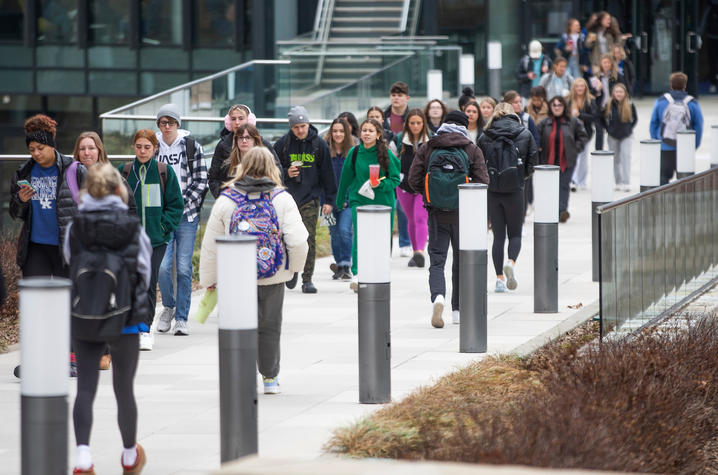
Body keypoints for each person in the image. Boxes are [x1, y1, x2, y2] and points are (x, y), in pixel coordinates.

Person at [200, 147, 308, 395]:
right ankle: (270, 378)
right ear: (272, 167)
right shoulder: (281, 198)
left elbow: (211, 245)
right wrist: (294, 269)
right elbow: (299, 240)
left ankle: (239, 375)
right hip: (273, 274)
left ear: (242, 166)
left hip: (236, 276)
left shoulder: (227, 199)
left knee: (238, 325)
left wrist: (210, 280)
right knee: (270, 327)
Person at [65, 163, 151, 475]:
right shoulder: (131, 224)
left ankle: (83, 460)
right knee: (123, 388)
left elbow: (68, 261)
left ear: (88, 189)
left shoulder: (77, 225)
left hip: (85, 312)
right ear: (118, 189)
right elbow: (144, 267)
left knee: (85, 386)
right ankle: (129, 455)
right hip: (124, 313)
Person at [408, 111, 489, 328]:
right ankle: (457, 310)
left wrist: (429, 196)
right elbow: (483, 181)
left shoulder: (429, 146)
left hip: (436, 213)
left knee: (437, 261)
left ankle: (438, 297)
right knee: (460, 262)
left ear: (444, 124)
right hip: (463, 214)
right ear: (465, 126)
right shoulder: (471, 149)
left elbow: (413, 179)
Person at [119, 129, 184, 351]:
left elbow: (176, 205)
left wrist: (163, 227)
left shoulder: (164, 172)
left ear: (155, 148)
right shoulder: (124, 172)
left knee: (147, 282)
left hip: (156, 241)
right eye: (139, 146)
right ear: (133, 147)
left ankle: (145, 329)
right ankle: (131, 327)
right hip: (129, 240)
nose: (143, 151)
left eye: (147, 147)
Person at [153, 104, 208, 337]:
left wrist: (182, 205)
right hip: (161, 217)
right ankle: (168, 306)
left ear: (178, 124)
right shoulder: (153, 146)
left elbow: (201, 179)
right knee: (162, 267)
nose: (167, 127)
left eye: (171, 123)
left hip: (186, 215)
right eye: (163, 123)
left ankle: (182, 318)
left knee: (184, 267)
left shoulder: (191, 146)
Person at [10, 114, 86, 278]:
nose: (36, 153)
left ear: (51, 145)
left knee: (67, 301)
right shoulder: (23, 173)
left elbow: (93, 208)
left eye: (40, 148)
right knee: (36, 299)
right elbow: (14, 213)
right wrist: (21, 201)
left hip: (67, 247)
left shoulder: (75, 170)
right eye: (31, 149)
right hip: (35, 248)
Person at [274, 106, 336, 294]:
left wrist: (329, 200)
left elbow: (328, 174)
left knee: (308, 238)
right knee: (285, 237)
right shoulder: (282, 144)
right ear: (291, 128)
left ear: (308, 124)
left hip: (310, 198)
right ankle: (291, 270)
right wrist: (286, 172)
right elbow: (272, 170)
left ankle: (307, 278)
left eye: (303, 126)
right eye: (296, 127)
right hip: (287, 198)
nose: (301, 130)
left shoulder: (319, 144)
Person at [478, 103, 537, 293]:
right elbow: (533, 162)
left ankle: (499, 279)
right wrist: (521, 177)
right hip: (515, 189)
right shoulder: (525, 133)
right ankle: (511, 262)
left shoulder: (484, 135)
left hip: (493, 191)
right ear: (514, 114)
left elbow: (478, 164)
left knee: (498, 237)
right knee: (515, 234)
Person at [335, 118, 401, 288]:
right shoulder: (355, 152)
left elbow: (395, 179)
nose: (367, 133)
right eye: (364, 130)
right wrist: (340, 200)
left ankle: (380, 269)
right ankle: (357, 273)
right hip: (359, 200)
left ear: (378, 134)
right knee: (361, 235)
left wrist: (381, 184)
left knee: (380, 238)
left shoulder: (386, 153)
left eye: (371, 130)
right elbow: (345, 178)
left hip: (383, 202)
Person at [208, 104, 281, 199]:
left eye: (241, 118)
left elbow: (277, 172)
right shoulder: (222, 145)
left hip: (260, 200)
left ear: (250, 120)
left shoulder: (263, 144)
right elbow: (213, 177)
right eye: (233, 119)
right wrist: (222, 197)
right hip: (231, 199)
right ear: (228, 122)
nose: (237, 123)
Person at [537, 96, 588, 223]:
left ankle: (562, 211)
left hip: (567, 161)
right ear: (550, 107)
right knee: (549, 187)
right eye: (554, 105)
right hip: (548, 161)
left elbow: (583, 137)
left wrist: (575, 149)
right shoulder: (544, 123)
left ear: (564, 107)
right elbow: (536, 139)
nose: (557, 108)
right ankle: (550, 210)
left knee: (563, 186)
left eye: (559, 105)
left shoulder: (573, 122)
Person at [649, 71, 704, 185]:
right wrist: (694, 144)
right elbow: (698, 126)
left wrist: (658, 139)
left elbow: (653, 123)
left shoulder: (661, 101)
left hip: (665, 146)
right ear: (685, 85)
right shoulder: (692, 103)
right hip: (685, 147)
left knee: (662, 179)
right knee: (686, 182)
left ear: (671, 85)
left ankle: (663, 202)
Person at [395, 109, 431, 268]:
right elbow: (391, 160)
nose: (415, 126)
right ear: (407, 124)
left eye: (418, 123)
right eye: (412, 123)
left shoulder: (431, 141)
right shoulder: (399, 140)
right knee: (411, 220)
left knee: (420, 218)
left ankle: (420, 252)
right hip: (404, 187)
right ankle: (416, 252)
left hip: (423, 188)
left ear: (423, 124)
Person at [73, 131, 137, 214]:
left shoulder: (114, 178)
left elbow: (131, 208)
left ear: (99, 150)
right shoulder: (69, 178)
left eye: (91, 148)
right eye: (82, 149)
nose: (86, 153)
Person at [325, 118, 356, 280]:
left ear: (347, 133)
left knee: (344, 231)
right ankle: (338, 265)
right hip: (328, 205)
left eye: (341, 131)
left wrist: (346, 199)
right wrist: (326, 201)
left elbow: (353, 180)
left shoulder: (352, 153)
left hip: (348, 203)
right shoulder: (324, 152)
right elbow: (321, 180)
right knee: (334, 234)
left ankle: (346, 264)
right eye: (335, 131)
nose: (338, 134)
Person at [602, 83, 637, 192]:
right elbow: (602, 118)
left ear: (625, 93)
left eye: (621, 92)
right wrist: (608, 129)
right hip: (612, 136)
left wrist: (629, 129)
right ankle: (618, 182)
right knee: (615, 159)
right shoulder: (608, 104)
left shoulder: (630, 104)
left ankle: (626, 182)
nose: (619, 94)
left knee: (626, 157)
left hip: (626, 135)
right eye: (617, 92)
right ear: (613, 93)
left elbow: (635, 119)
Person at [567, 78, 598, 190]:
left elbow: (594, 117)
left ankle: (582, 181)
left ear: (585, 87)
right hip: (571, 133)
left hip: (586, 133)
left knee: (583, 157)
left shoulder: (591, 100)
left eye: (582, 86)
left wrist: (580, 115)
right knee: (573, 156)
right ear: (574, 88)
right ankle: (573, 179)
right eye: (577, 86)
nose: (580, 88)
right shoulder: (568, 100)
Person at [592, 54, 626, 151]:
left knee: (612, 132)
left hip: (613, 108)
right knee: (599, 132)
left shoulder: (617, 76)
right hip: (600, 108)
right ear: (601, 64)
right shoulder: (596, 77)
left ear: (611, 64)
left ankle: (614, 154)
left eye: (608, 62)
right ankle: (598, 154)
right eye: (604, 63)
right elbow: (591, 94)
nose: (606, 65)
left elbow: (623, 90)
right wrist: (597, 90)